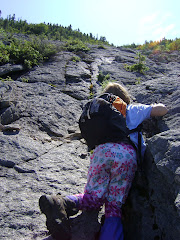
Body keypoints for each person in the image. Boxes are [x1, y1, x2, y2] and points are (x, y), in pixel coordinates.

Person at [39, 82, 168, 240]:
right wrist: (154, 105)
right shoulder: (129, 108)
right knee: (114, 206)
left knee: (93, 196)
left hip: (101, 152)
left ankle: (62, 203)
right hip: (125, 156)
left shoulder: (102, 111)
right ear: (123, 97)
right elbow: (162, 110)